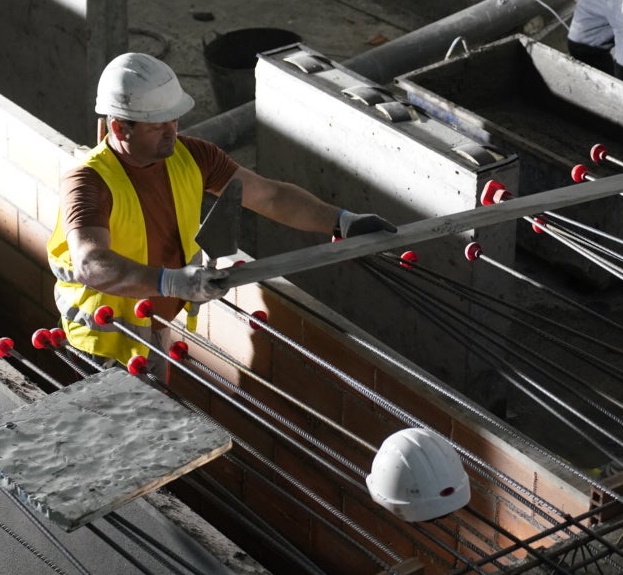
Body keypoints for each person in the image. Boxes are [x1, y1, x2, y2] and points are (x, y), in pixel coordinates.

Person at [46, 53, 396, 364]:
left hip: (154, 326)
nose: (171, 133)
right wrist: (172, 282)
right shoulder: (87, 182)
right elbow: (91, 265)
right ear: (119, 127)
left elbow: (270, 196)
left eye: (174, 121)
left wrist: (341, 221)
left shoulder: (193, 156)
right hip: (100, 347)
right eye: (158, 126)